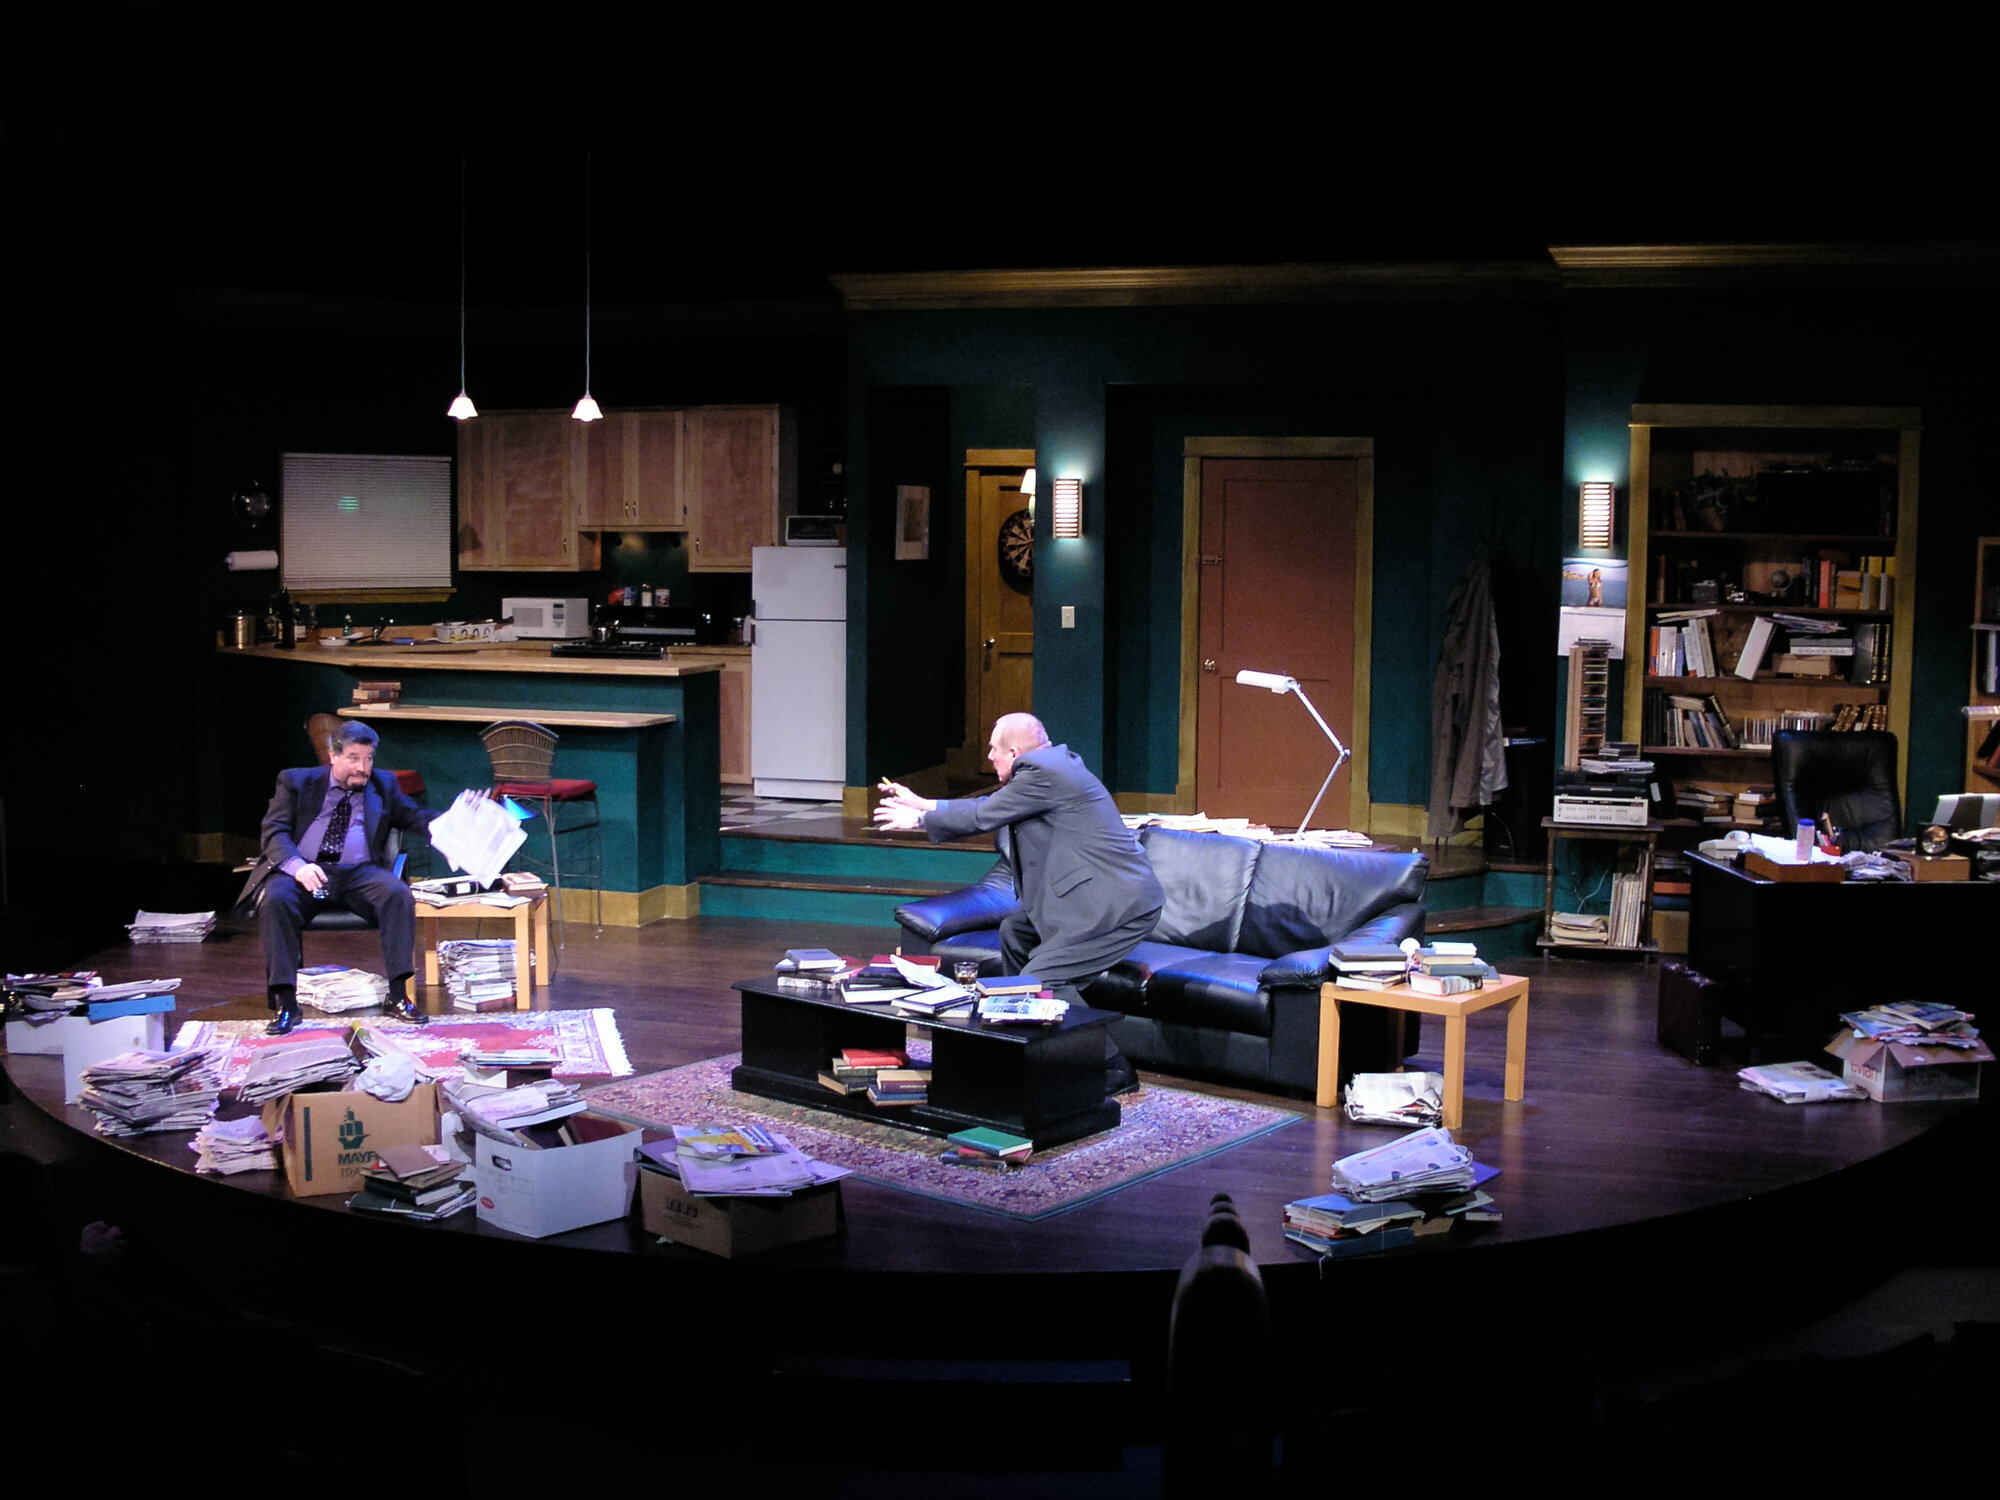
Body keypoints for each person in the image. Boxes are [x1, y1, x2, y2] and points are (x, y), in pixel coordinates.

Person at [875, 713, 1163, 1093]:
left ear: (1013, 752)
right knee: (1015, 931)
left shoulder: (1044, 771)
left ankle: (1112, 1067)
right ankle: (1031, 1042)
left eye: (993, 749)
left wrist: (918, 820)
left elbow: (983, 814)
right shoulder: (1049, 768)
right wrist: (924, 803)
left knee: (1045, 979)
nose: (989, 757)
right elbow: (993, 804)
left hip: (1118, 906)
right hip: (1087, 901)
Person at [237, 721, 451, 1035]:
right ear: (333, 756)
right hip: (305, 871)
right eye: (353, 758)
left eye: (368, 759)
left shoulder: (383, 785)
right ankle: (286, 1003)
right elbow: (274, 831)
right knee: (277, 899)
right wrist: (297, 866)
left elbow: (417, 817)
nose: (362, 768)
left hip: (357, 873)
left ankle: (397, 995)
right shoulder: (296, 781)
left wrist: (460, 819)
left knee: (397, 894)